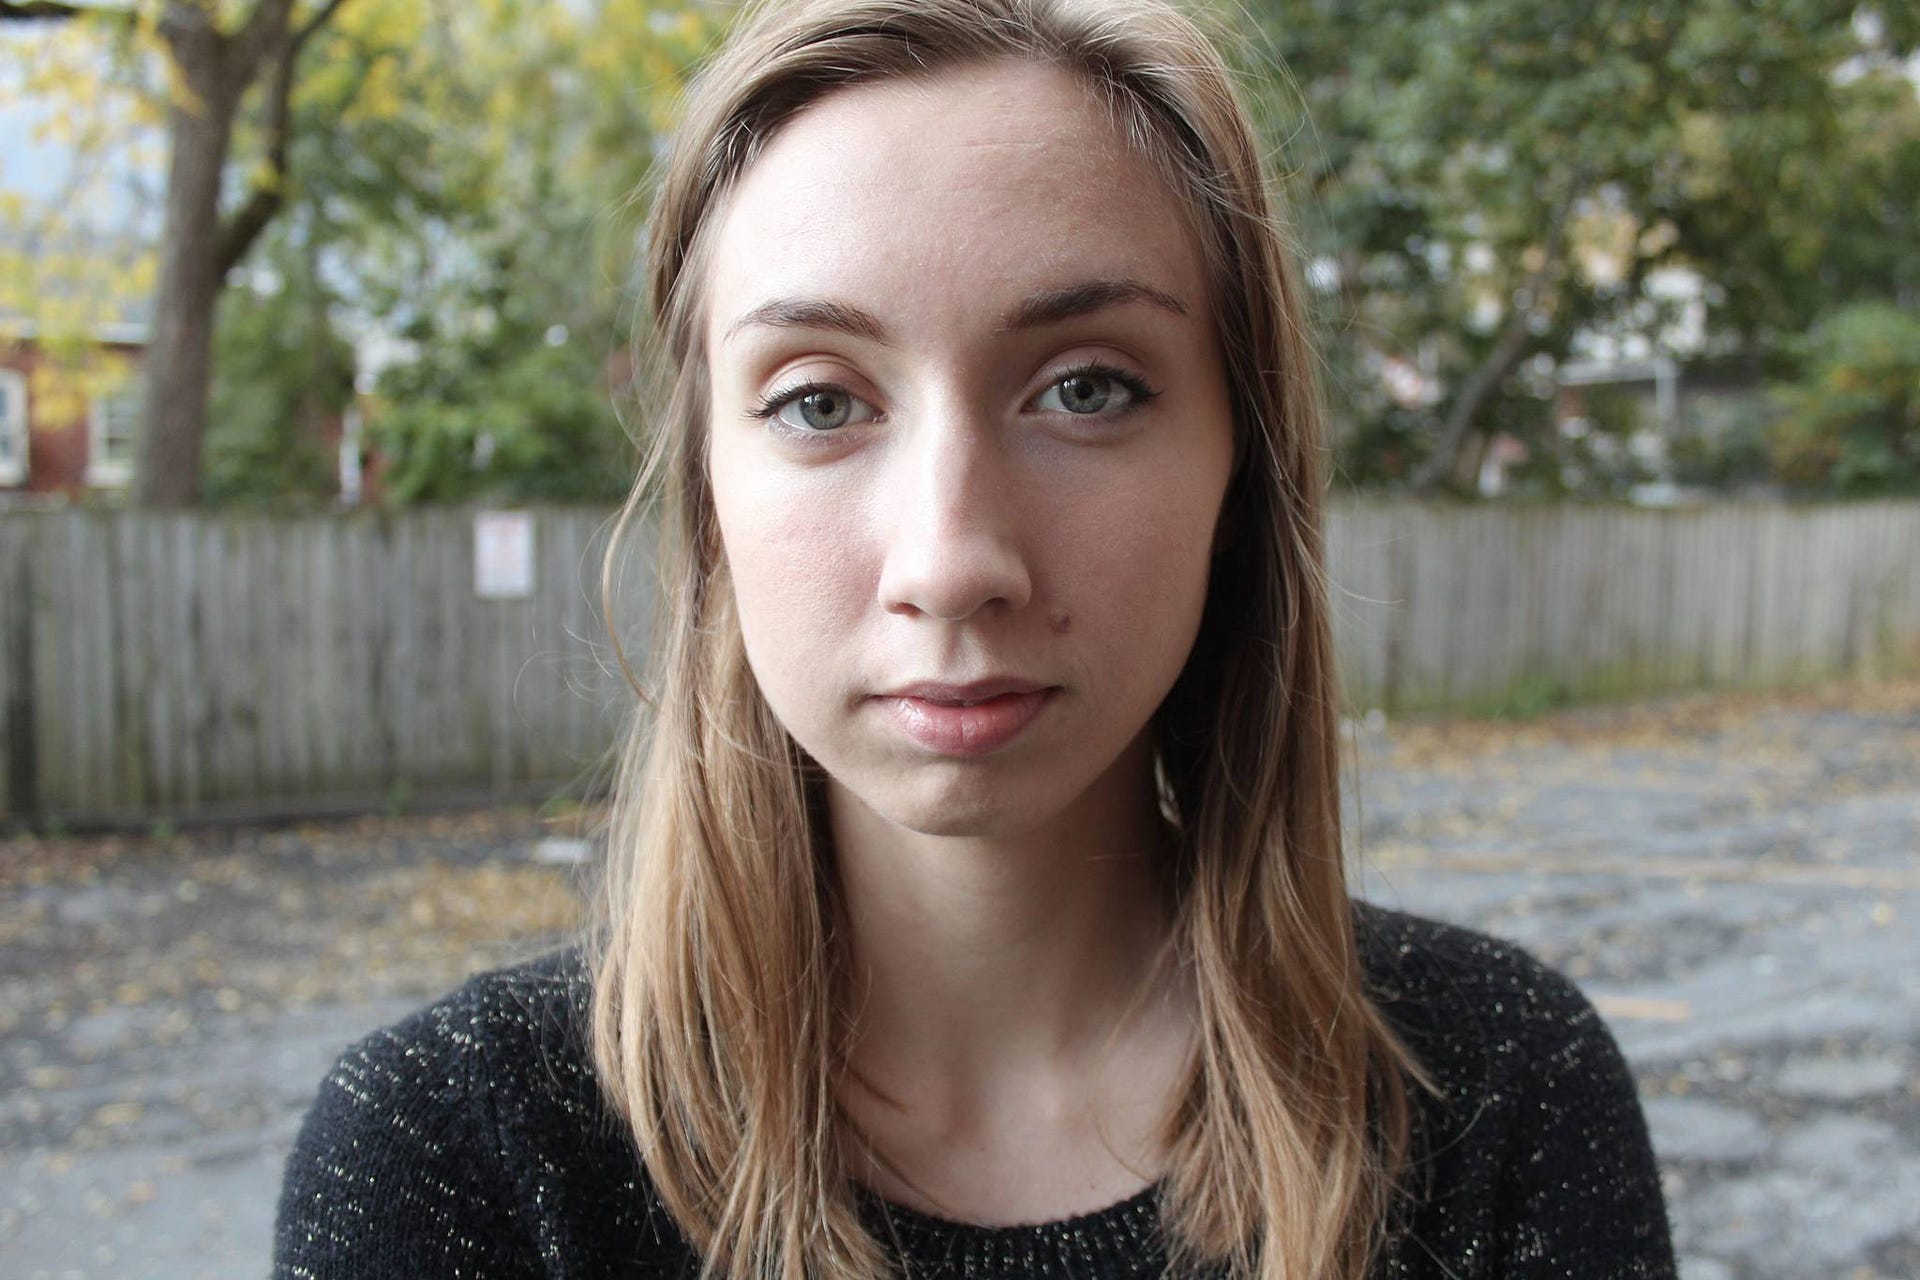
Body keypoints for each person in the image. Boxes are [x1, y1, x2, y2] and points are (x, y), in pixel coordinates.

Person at [273, 1, 1676, 1276]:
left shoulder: (1500, 1096)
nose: (950, 564)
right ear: (707, 497)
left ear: (1239, 468)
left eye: (1086, 388)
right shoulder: (454, 1159)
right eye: (820, 402)